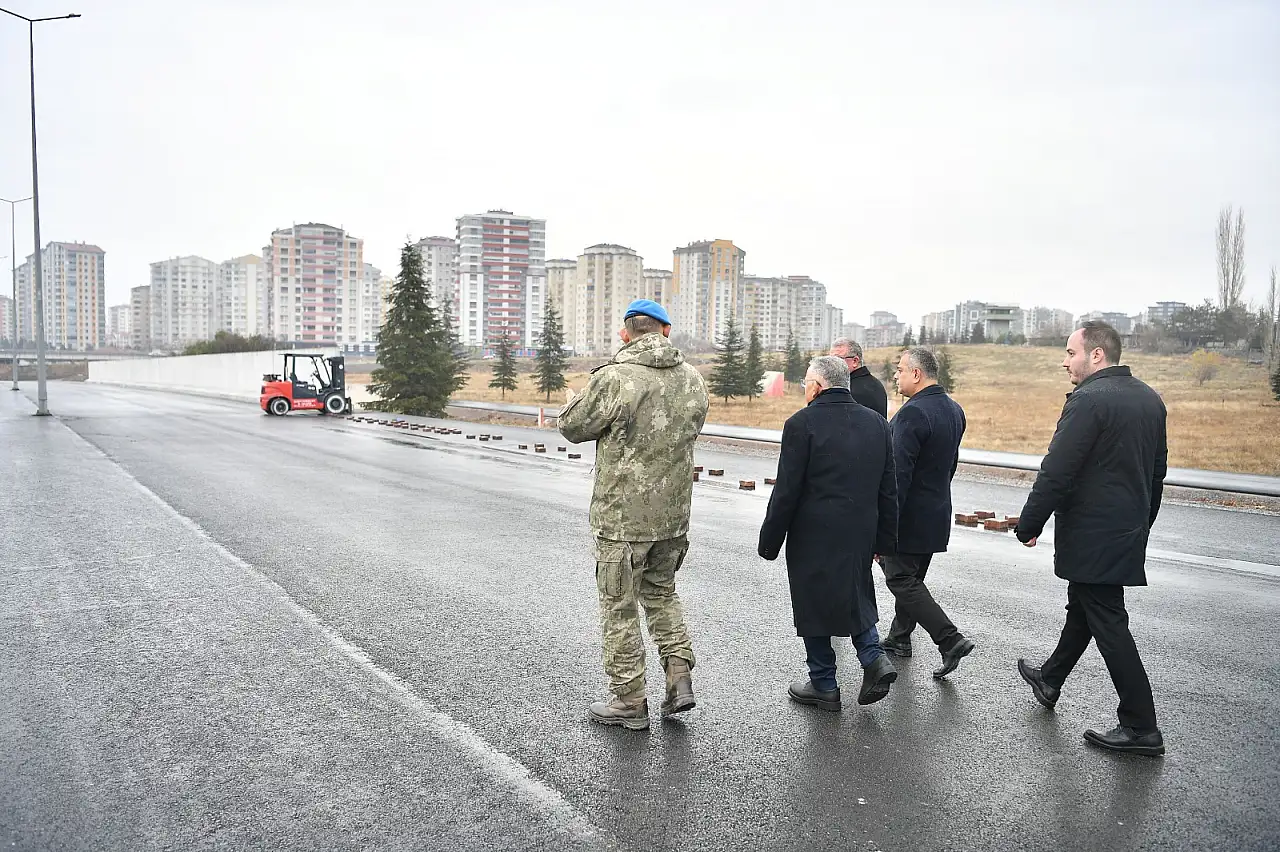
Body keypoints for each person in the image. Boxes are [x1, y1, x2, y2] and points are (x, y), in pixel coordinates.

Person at [1014, 321, 1168, 756]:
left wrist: (1029, 524)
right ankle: (1051, 677)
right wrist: (1143, 523)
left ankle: (1141, 727)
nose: (1065, 361)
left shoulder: (1088, 401)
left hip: (1093, 531)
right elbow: (1156, 473)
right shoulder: (1149, 399)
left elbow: (1058, 469)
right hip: (1125, 528)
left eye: (1070, 352)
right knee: (1085, 604)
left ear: (1096, 354)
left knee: (1108, 621)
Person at [558, 298, 710, 731]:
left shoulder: (614, 378)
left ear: (626, 334)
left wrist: (578, 398)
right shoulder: (693, 380)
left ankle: (629, 701)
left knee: (619, 606)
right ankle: (679, 677)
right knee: (662, 594)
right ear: (664, 331)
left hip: (622, 519)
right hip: (674, 516)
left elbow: (572, 428)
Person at [758, 356, 899, 711]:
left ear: (817, 386)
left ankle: (823, 683)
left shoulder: (801, 424)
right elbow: (889, 490)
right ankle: (872, 657)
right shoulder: (877, 425)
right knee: (854, 589)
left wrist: (770, 541)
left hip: (813, 531)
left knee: (813, 602)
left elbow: (787, 491)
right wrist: (884, 540)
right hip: (861, 530)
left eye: (807, 382)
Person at [879, 347, 976, 678]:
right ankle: (899, 638)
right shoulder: (954, 409)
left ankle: (950, 640)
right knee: (913, 578)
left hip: (908, 516)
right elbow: (951, 465)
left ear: (916, 374)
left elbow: (897, 477)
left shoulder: (912, 414)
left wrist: (884, 525)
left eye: (900, 370)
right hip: (936, 511)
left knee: (900, 578)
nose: (896, 375)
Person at [830, 337, 888, 418]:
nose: (831, 364)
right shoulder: (874, 383)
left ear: (855, 361)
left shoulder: (851, 391)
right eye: (830, 360)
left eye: (837, 359)